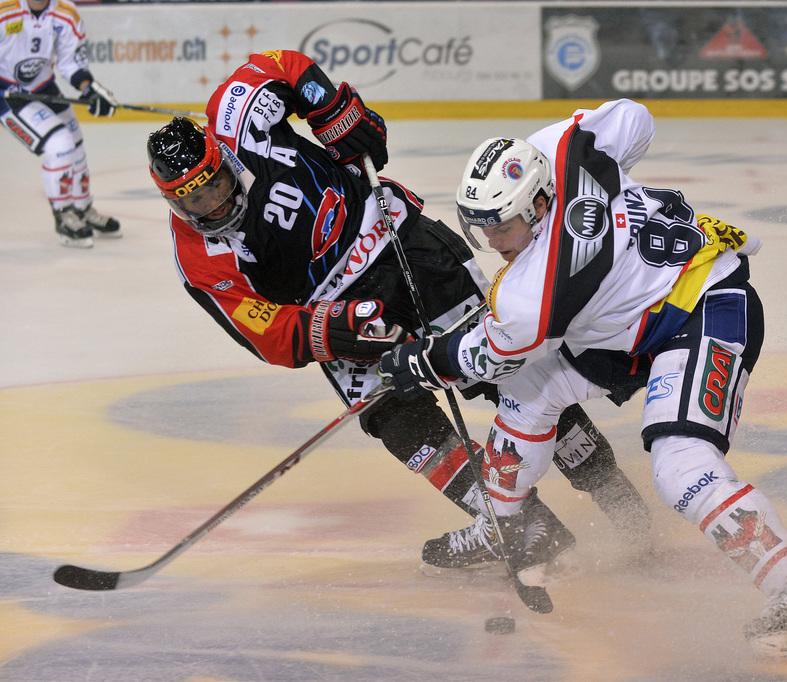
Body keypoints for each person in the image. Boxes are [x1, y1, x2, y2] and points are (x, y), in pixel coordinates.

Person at [143, 49, 651, 578]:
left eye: (216, 187)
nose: (214, 206)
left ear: (224, 162)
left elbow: (283, 66)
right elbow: (264, 330)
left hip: (396, 240)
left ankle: (614, 494)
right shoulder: (199, 260)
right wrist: (331, 329)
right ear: (171, 201)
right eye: (194, 203)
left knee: (513, 370)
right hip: (339, 314)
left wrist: (333, 114)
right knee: (400, 424)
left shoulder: (235, 115)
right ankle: (517, 523)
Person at [379, 100, 787, 657]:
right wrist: (582, 156)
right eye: (480, 224)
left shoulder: (531, 290)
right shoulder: (559, 151)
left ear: (537, 204)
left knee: (680, 464)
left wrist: (420, 362)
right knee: (526, 396)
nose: (491, 240)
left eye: (502, 226)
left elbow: (491, 353)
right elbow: (634, 117)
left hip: (704, 311)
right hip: (635, 315)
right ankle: (505, 526)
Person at [0, 0, 120, 247]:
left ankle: (82, 208)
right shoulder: (4, 10)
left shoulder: (66, 13)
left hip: (43, 87)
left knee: (75, 144)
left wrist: (89, 90)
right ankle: (64, 215)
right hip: (7, 94)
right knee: (59, 145)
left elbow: (70, 62)